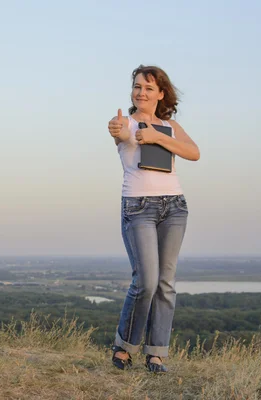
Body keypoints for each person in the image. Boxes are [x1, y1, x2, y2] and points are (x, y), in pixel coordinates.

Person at [107, 65, 200, 373]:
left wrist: (158, 138)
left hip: (174, 207)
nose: (141, 92)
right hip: (138, 207)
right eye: (137, 87)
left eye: (148, 88)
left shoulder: (170, 125)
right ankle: (125, 346)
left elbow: (193, 153)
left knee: (165, 283)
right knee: (145, 281)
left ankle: (156, 353)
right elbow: (117, 131)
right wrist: (120, 129)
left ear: (161, 93)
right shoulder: (126, 122)